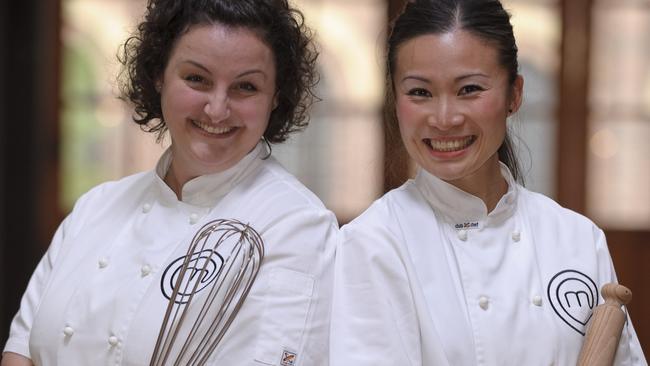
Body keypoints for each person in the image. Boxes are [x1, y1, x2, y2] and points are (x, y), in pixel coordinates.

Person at [2, 0, 337, 365]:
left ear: (275, 98)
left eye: (246, 87)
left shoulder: (298, 226)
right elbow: (21, 352)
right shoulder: (96, 206)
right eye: (197, 78)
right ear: (159, 75)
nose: (217, 109)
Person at [330, 0, 647, 365]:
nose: (445, 118)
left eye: (469, 90)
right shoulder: (373, 243)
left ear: (514, 94)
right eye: (420, 92)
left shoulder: (576, 238)